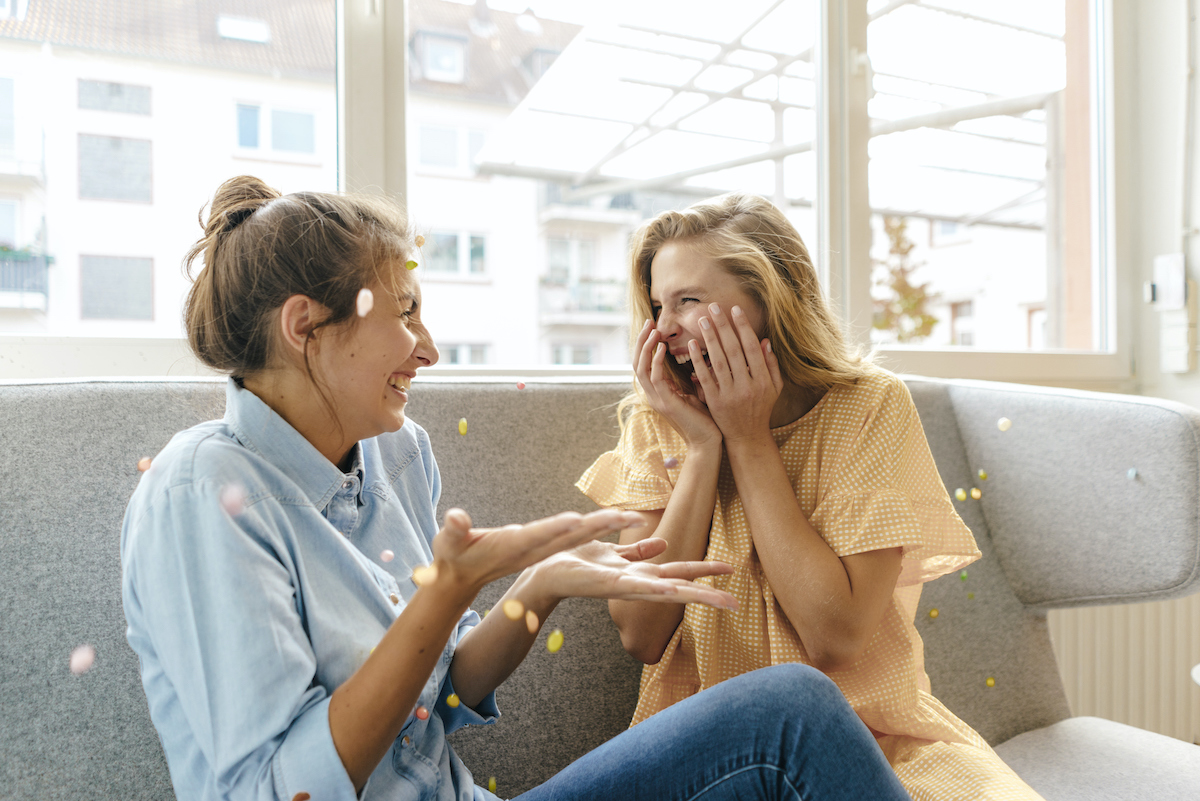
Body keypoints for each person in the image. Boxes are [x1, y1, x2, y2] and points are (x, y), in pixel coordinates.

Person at [120, 176, 914, 801]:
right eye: (405, 314)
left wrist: (537, 587)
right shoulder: (204, 491)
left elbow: (445, 693)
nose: (426, 348)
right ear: (306, 329)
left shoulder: (395, 455)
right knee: (797, 713)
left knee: (791, 713)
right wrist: (447, 591)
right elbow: (281, 792)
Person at [577, 193, 1045, 801]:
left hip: (876, 734)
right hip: (715, 749)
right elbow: (642, 634)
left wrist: (748, 439)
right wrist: (702, 448)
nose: (665, 328)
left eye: (689, 301)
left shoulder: (867, 407)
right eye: (659, 305)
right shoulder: (658, 420)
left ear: (769, 301)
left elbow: (835, 638)